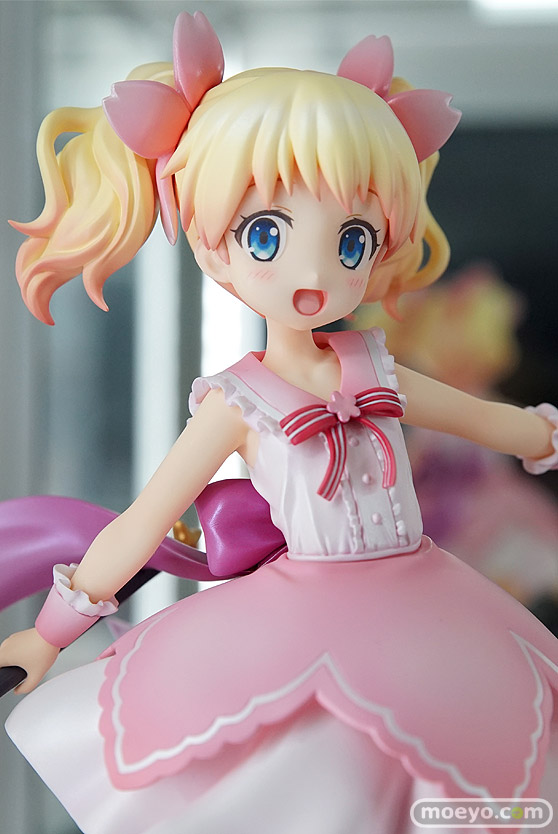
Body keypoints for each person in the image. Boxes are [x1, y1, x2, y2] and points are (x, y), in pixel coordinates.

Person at [1, 12, 558, 834]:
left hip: (429, 606)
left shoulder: (378, 369)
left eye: (352, 238)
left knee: (466, 767)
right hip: (300, 615)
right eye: (267, 233)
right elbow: (142, 523)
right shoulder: (237, 401)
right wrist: (50, 634)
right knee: (322, 785)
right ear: (211, 244)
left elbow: (491, 421)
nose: (314, 270)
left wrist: (542, 436)